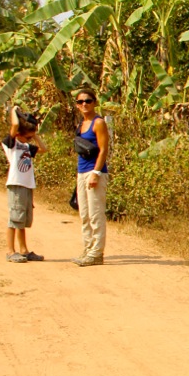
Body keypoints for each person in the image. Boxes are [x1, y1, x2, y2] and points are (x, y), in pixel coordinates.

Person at [1, 106, 46, 263]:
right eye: (27, 137)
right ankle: (10, 251)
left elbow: (43, 149)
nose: (30, 140)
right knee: (14, 218)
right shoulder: (11, 144)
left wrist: (34, 135)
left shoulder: (27, 146)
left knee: (22, 220)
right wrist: (14, 111)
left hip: (27, 185)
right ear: (18, 134)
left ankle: (24, 250)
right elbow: (14, 125)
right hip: (16, 184)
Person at [72, 88, 110, 266]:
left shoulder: (98, 123)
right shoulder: (81, 123)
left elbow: (104, 149)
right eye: (80, 102)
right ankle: (88, 249)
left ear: (94, 102)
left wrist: (96, 173)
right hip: (82, 171)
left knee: (95, 214)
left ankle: (96, 252)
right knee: (85, 214)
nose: (84, 104)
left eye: (88, 101)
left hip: (94, 172)